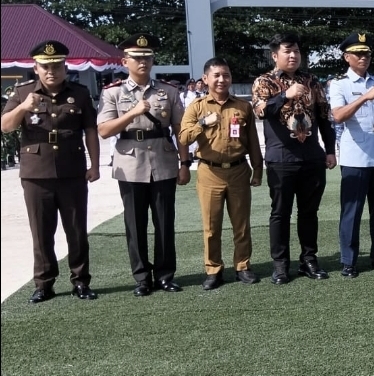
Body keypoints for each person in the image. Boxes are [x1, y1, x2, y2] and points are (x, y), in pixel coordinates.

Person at [1, 41, 100, 303]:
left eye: (56, 66)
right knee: (41, 231)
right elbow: (5, 126)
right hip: (36, 174)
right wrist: (23, 107)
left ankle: (81, 281)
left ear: (65, 67)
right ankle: (44, 284)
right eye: (45, 66)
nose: (51, 71)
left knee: (76, 230)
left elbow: (90, 130)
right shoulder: (21, 93)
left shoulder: (79, 93)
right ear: (35, 67)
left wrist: (95, 165)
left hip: (72, 172)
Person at [97, 34, 189, 297]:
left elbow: (179, 129)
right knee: (135, 225)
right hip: (130, 162)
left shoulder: (168, 91)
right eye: (137, 58)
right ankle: (141, 277)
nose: (143, 62)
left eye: (147, 57)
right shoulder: (112, 92)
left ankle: (165, 275)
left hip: (162, 160)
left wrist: (185, 163)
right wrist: (133, 113)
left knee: (164, 222)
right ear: (125, 61)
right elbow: (104, 130)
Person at [251, 33, 337, 284]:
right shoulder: (263, 81)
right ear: (275, 55)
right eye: (287, 51)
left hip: (311, 156)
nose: (293, 56)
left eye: (296, 51)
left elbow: (324, 116)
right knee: (280, 213)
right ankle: (280, 264)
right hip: (281, 158)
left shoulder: (311, 80)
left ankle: (309, 260)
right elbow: (261, 111)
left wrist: (329, 149)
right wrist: (285, 95)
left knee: (309, 212)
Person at [178, 57, 264, 290]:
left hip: (238, 170)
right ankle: (213, 269)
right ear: (205, 79)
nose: (221, 80)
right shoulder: (196, 107)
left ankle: (243, 266)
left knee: (241, 224)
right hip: (209, 172)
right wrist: (204, 123)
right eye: (216, 75)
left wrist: (258, 170)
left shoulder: (243, 106)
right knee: (211, 226)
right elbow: (183, 137)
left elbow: (253, 142)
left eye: (225, 75)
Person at [328, 32, 374, 276]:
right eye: (358, 54)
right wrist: (364, 98)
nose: (364, 58)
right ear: (347, 57)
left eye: (367, 53)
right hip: (355, 156)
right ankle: (348, 260)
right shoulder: (340, 84)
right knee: (352, 211)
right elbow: (338, 116)